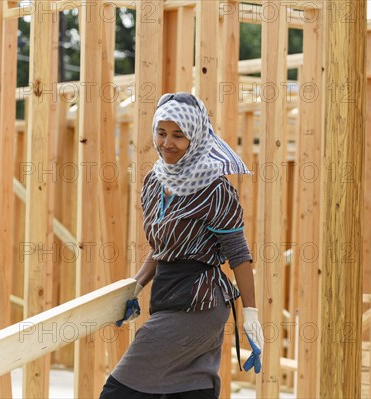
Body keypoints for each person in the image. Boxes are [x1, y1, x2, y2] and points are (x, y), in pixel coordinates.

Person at [100, 93, 263, 398]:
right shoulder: (154, 181)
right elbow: (163, 247)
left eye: (178, 135)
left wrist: (251, 315)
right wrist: (135, 286)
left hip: (200, 302)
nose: (167, 143)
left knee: (117, 391)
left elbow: (238, 255)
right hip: (167, 293)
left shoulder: (215, 188)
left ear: (196, 137)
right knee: (188, 389)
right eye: (161, 132)